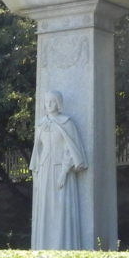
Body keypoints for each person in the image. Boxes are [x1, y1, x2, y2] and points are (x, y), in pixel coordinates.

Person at [29, 90, 88, 249]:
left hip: (61, 171)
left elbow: (71, 149)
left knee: (61, 209)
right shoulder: (41, 125)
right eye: (46, 102)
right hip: (44, 171)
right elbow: (37, 151)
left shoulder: (67, 123)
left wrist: (63, 172)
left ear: (58, 103)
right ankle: (44, 246)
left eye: (52, 102)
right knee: (45, 210)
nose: (48, 105)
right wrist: (36, 174)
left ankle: (63, 246)